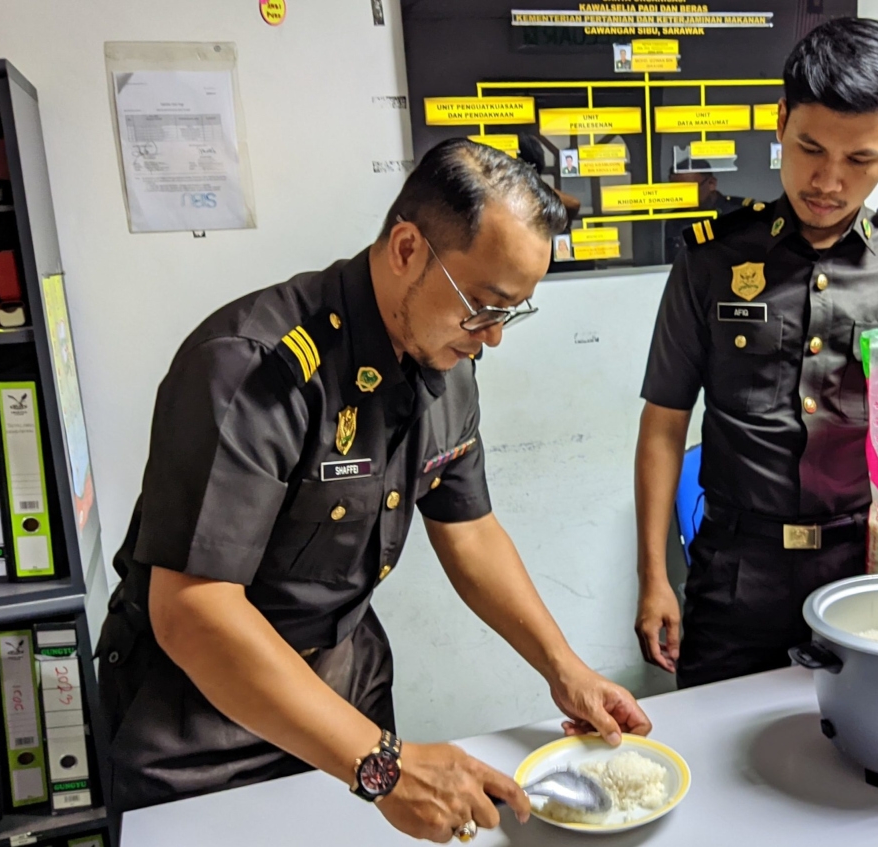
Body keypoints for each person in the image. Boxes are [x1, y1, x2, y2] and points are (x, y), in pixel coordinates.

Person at [98, 138, 652, 840]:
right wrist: (384, 765)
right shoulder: (252, 368)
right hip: (197, 726)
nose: (491, 338)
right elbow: (193, 609)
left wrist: (563, 667)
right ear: (407, 249)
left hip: (342, 691)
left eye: (509, 312)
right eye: (482, 305)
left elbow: (471, 529)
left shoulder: (446, 360)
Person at [634, 17, 878, 689]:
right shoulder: (711, 260)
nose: (827, 179)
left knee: (859, 758)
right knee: (713, 754)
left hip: (868, 568)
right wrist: (653, 575)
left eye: (859, 158)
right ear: (779, 121)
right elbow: (663, 424)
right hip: (735, 573)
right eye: (809, 148)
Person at [663, 160, 749, 261]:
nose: (682, 197)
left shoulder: (738, 214)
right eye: (676, 191)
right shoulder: (675, 220)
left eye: (688, 190)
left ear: (711, 183)